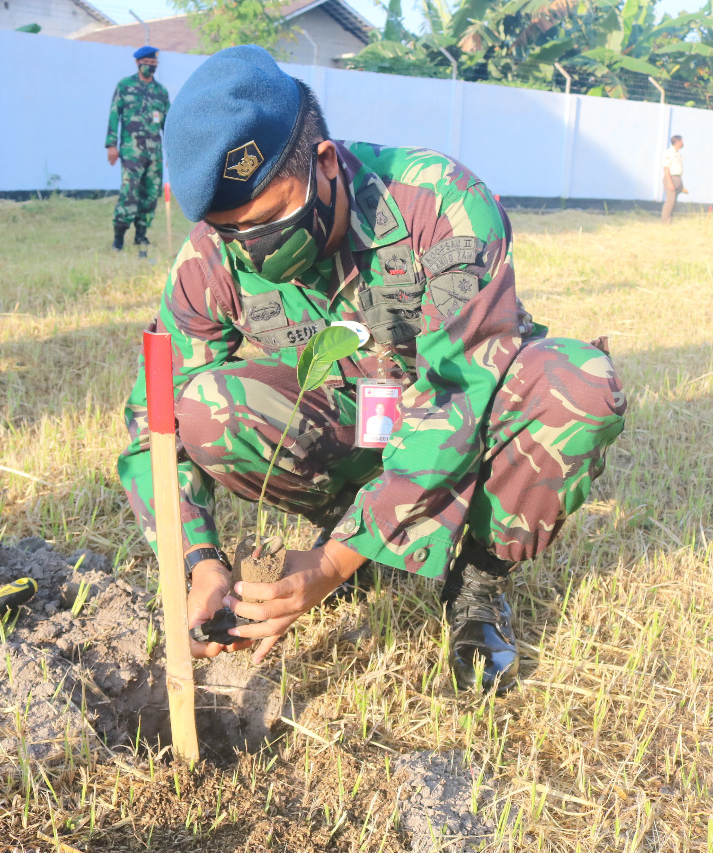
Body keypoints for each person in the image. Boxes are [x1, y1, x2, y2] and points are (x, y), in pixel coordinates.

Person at [116, 46, 627, 695]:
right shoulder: (212, 260)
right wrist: (199, 560)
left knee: (574, 387)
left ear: (324, 163)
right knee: (203, 405)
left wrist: (329, 564)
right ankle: (358, 526)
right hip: (349, 429)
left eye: (272, 224)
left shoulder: (437, 204)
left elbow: (456, 401)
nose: (258, 254)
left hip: (443, 420)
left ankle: (474, 575)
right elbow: (149, 428)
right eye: (235, 234)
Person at [106, 45, 169, 254]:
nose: (151, 67)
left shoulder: (161, 92)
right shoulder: (125, 86)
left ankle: (141, 236)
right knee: (129, 193)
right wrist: (111, 145)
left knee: (151, 195)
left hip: (154, 153)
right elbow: (114, 115)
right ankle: (118, 239)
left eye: (154, 64)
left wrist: (172, 152)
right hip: (131, 152)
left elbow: (167, 125)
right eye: (147, 64)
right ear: (137, 63)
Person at [661, 135, 686, 224]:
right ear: (678, 142)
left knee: (674, 201)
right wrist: (670, 182)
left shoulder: (677, 153)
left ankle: (670, 220)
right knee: (670, 201)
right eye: (682, 141)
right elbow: (666, 168)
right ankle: (665, 222)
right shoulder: (669, 153)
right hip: (671, 178)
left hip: (677, 178)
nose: (683, 143)